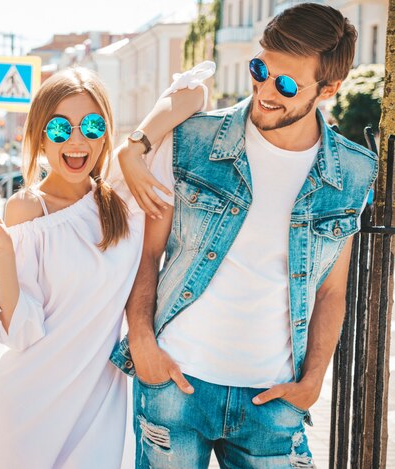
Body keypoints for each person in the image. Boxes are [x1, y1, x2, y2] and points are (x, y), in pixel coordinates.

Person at [111, 4, 378, 468]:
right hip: (176, 385)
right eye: (260, 69)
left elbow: (333, 289)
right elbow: (148, 253)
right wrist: (142, 343)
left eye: (287, 84)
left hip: (274, 400)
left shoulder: (354, 171)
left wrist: (313, 380)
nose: (265, 90)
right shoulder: (193, 140)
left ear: (330, 89)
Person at [0, 63, 214, 468]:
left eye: (91, 126)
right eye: (60, 129)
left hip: (98, 411)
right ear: (40, 134)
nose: (76, 141)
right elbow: (21, 330)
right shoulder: (27, 208)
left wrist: (134, 146)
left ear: (106, 131)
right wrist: (2, 255)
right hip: (26, 415)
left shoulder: (124, 194)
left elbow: (194, 92)